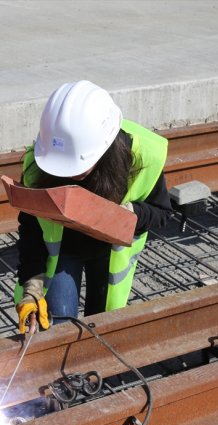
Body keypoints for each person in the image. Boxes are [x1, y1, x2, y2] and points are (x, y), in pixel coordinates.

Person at [14, 80, 172, 333]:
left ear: (104, 148)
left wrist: (129, 215)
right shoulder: (40, 164)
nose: (68, 172)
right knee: (59, 328)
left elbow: (162, 213)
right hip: (64, 253)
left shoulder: (142, 157)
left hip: (109, 254)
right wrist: (31, 283)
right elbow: (31, 226)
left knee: (102, 330)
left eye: (76, 165)